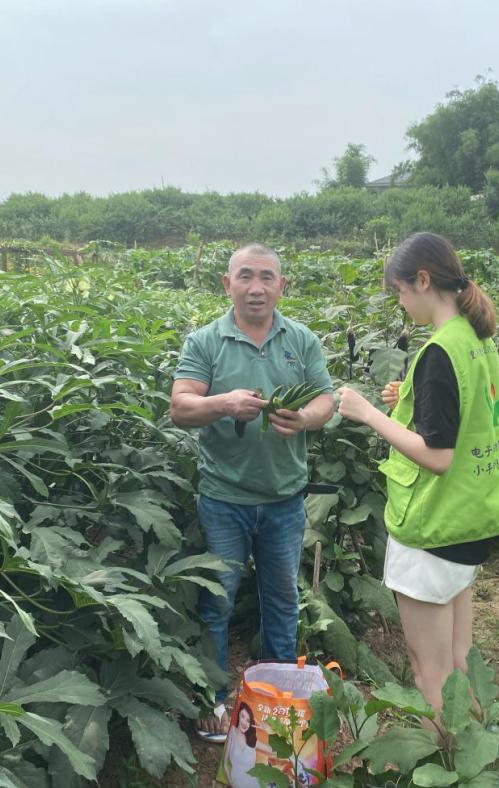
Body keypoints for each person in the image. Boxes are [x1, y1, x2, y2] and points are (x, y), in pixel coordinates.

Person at [336, 232, 499, 724]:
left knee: (430, 674)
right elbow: (467, 413)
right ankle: (475, 749)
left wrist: (369, 413)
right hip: (469, 519)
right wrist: (411, 399)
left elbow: (437, 456)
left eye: (399, 291)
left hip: (434, 526)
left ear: (422, 280)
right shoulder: (475, 338)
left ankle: (444, 758)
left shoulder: (439, 352)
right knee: (459, 663)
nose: (400, 303)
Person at [170, 243, 334, 741]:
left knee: (282, 599)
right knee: (217, 601)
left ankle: (277, 701)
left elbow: (326, 400)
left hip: (285, 498)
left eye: (267, 277)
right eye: (245, 276)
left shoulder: (301, 339)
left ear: (282, 286)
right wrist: (222, 403)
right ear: (228, 284)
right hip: (224, 499)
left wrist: (304, 418)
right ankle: (213, 698)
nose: (256, 287)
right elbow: (180, 407)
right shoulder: (206, 341)